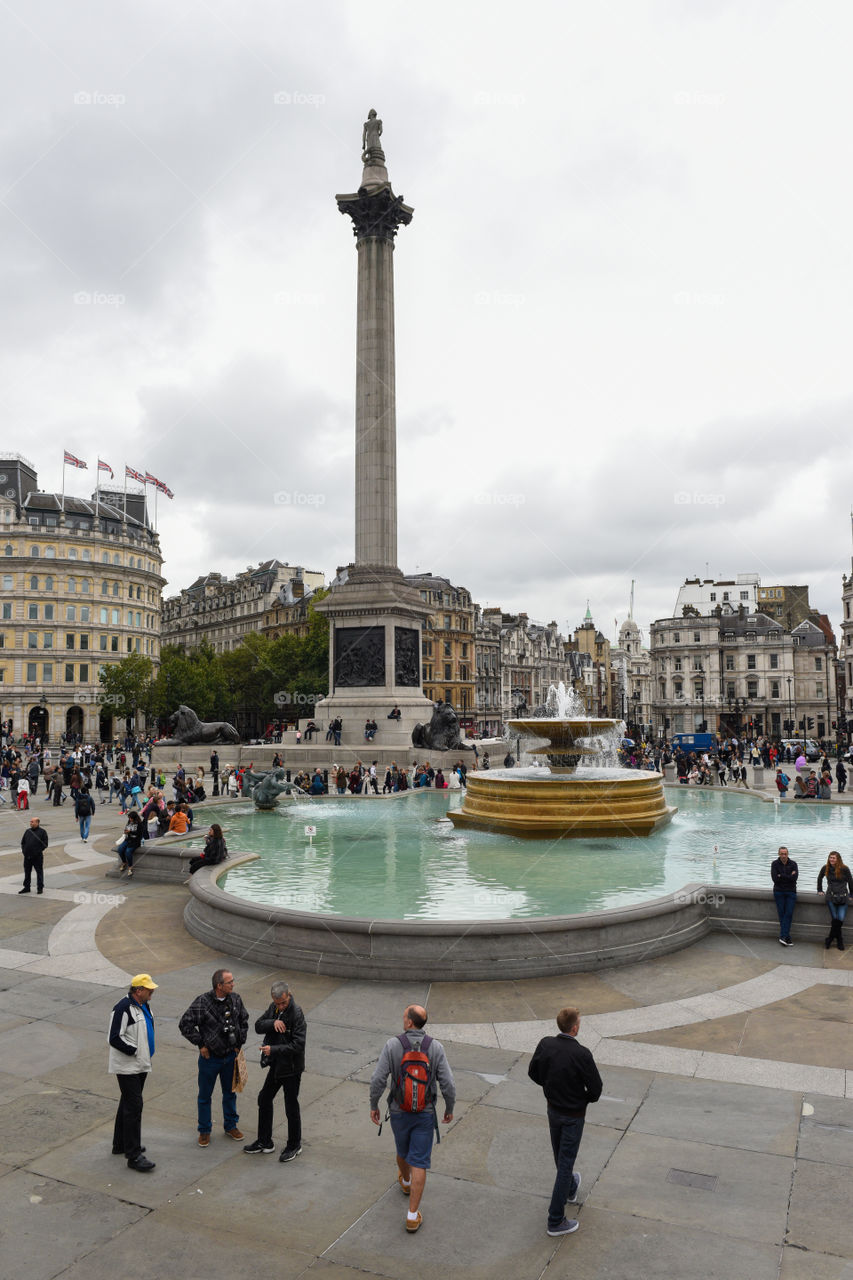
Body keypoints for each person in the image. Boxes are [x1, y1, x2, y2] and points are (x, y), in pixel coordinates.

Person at [369, 1004, 455, 1234]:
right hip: (424, 1113)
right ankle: (411, 1215)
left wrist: (373, 1105)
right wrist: (449, 1107)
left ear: (409, 1022)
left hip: (398, 1110)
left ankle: (405, 1182)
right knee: (420, 1161)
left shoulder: (393, 1045)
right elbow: (448, 1083)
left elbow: (378, 1079)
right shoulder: (435, 1047)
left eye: (404, 1016)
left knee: (402, 1150)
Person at [528, 1006, 602, 1237]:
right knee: (565, 1162)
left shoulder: (546, 1044)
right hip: (573, 1116)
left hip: (553, 1110)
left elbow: (533, 1072)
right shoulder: (582, 1054)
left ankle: (570, 1187)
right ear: (575, 1028)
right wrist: (581, 1099)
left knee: (560, 1156)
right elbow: (596, 1090)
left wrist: (551, 1087)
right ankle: (556, 1219)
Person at [178, 969, 249, 1145]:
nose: (233, 984)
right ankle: (204, 1130)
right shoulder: (202, 1002)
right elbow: (185, 1024)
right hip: (210, 1059)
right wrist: (201, 1044)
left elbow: (244, 1020)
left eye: (233, 981)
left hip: (230, 1057)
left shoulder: (236, 999)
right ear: (219, 985)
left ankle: (231, 1126)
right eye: (229, 982)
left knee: (230, 1093)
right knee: (204, 1096)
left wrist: (238, 1044)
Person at [244, 980, 306, 1161]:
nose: (280, 1006)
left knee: (290, 1106)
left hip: (292, 1068)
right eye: (277, 1003)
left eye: (283, 1003)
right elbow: (258, 1026)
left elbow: (298, 1045)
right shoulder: (274, 1009)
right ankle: (265, 1141)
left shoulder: (297, 1014)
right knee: (264, 1098)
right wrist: (273, 1022)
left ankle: (294, 1145)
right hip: (278, 1065)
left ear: (289, 995)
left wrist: (274, 1050)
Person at [108, 973, 157, 1171]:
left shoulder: (143, 1005)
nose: (152, 991)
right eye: (148, 989)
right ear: (138, 991)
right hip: (129, 1066)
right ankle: (134, 1155)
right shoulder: (123, 1008)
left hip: (140, 1065)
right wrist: (135, 1050)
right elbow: (114, 1037)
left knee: (127, 1104)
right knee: (134, 1107)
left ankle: (120, 1144)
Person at [817, 851, 853, 950]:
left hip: (843, 897)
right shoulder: (826, 868)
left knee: (839, 919)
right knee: (835, 919)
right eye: (830, 857)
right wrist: (819, 890)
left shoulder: (845, 869)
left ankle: (829, 939)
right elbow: (820, 877)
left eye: (833, 858)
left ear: (838, 859)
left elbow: (850, 881)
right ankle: (840, 941)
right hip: (831, 897)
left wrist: (852, 894)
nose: (831, 859)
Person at [770, 845, 798, 946]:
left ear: (788, 854)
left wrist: (781, 875)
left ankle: (783, 937)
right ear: (779, 854)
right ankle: (787, 937)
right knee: (782, 914)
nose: (783, 855)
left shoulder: (793, 864)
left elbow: (794, 879)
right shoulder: (774, 864)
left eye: (785, 854)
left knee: (789, 913)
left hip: (791, 892)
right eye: (782, 854)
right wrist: (789, 876)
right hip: (779, 892)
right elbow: (775, 879)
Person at [19, 816, 48, 894]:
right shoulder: (27, 831)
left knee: (39, 872)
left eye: (32, 822)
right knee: (27, 872)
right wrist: (24, 851)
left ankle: (40, 887)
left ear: (37, 823)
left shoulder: (42, 832)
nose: (30, 823)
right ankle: (27, 887)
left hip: (37, 857)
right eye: (30, 822)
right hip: (27, 856)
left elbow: (45, 844)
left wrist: (37, 852)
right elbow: (23, 842)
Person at [116, 812, 144, 877]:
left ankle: (130, 867)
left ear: (134, 818)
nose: (130, 819)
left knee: (128, 852)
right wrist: (125, 831)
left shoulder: (139, 824)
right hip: (128, 839)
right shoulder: (129, 822)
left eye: (131, 818)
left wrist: (130, 832)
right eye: (129, 818)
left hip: (135, 841)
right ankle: (124, 862)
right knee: (120, 849)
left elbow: (139, 834)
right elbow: (126, 829)